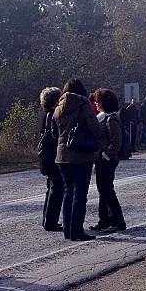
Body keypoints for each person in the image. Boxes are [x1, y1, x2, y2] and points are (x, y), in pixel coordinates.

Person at [53, 78, 103, 241]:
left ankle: (68, 229)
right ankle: (77, 230)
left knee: (68, 191)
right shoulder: (83, 107)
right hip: (81, 155)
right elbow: (95, 129)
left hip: (62, 155)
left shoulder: (58, 108)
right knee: (80, 193)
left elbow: (54, 133)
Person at [90, 88, 126, 233]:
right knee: (103, 190)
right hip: (102, 159)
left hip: (108, 160)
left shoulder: (111, 119)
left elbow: (116, 141)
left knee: (107, 190)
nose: (96, 104)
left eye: (97, 101)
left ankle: (118, 220)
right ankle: (104, 220)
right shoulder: (103, 117)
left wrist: (105, 155)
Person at [38, 86, 63, 232]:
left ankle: (47, 219)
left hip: (45, 155)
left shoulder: (43, 114)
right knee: (56, 188)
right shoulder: (53, 115)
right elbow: (55, 136)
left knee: (51, 187)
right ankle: (51, 222)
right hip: (52, 155)